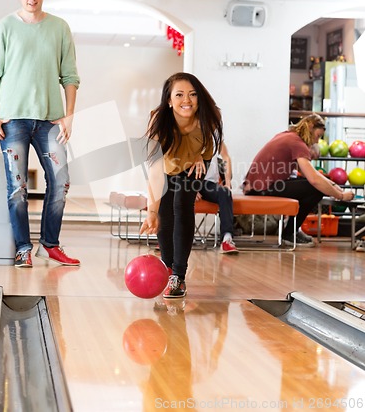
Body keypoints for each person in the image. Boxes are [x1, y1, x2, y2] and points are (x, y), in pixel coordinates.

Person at [0, 0, 81, 268]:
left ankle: (49, 244)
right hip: (13, 121)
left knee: (60, 182)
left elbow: (70, 75)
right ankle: (23, 248)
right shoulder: (4, 27)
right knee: (18, 188)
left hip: (50, 121)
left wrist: (69, 116)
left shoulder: (59, 27)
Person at [140, 72, 223, 298]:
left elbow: (208, 147)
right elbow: (155, 173)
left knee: (182, 205)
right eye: (179, 95)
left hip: (195, 164)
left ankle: (178, 276)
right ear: (169, 100)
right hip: (167, 167)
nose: (186, 100)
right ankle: (167, 267)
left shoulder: (208, 116)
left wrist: (197, 157)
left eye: (192, 94)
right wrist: (151, 212)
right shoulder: (159, 121)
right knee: (165, 213)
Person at [242, 114, 354, 247]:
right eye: (318, 136)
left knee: (311, 184)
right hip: (261, 190)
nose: (317, 142)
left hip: (257, 187)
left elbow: (309, 174)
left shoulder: (287, 135)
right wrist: (340, 196)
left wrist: (333, 185)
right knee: (315, 188)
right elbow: (314, 179)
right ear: (311, 127)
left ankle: (292, 230)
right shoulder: (296, 143)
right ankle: (289, 233)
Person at [196, 141, 239, 254]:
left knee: (225, 193)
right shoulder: (190, 129)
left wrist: (228, 183)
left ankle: (227, 239)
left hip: (208, 183)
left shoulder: (216, 134)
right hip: (188, 181)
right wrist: (192, 187)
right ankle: (168, 239)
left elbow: (225, 157)